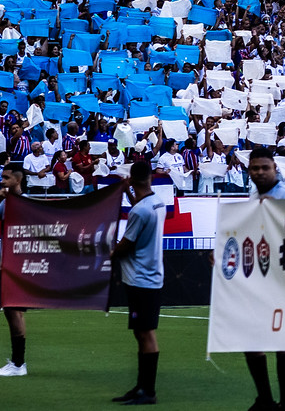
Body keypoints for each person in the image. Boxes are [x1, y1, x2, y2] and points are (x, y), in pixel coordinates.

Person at [241, 148, 285, 411]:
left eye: (265, 168)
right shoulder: (252, 195)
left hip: (283, 280)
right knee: (252, 342)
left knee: (283, 344)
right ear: (249, 170)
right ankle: (264, 399)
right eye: (255, 168)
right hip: (257, 280)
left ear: (275, 168)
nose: (260, 173)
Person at [109, 159, 165, 406]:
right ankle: (142, 386)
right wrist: (128, 191)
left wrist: (108, 254)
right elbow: (140, 208)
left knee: (145, 334)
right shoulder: (157, 203)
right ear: (151, 177)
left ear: (131, 178)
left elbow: (126, 244)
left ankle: (148, 391)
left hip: (140, 278)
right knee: (142, 333)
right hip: (152, 275)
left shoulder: (139, 211)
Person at [0, 165, 32, 377]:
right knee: (13, 312)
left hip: (19, 265)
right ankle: (18, 363)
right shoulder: (7, 202)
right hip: (11, 263)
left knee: (13, 311)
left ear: (17, 180)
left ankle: (18, 364)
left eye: (6, 177)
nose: (2, 181)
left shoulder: (26, 203)